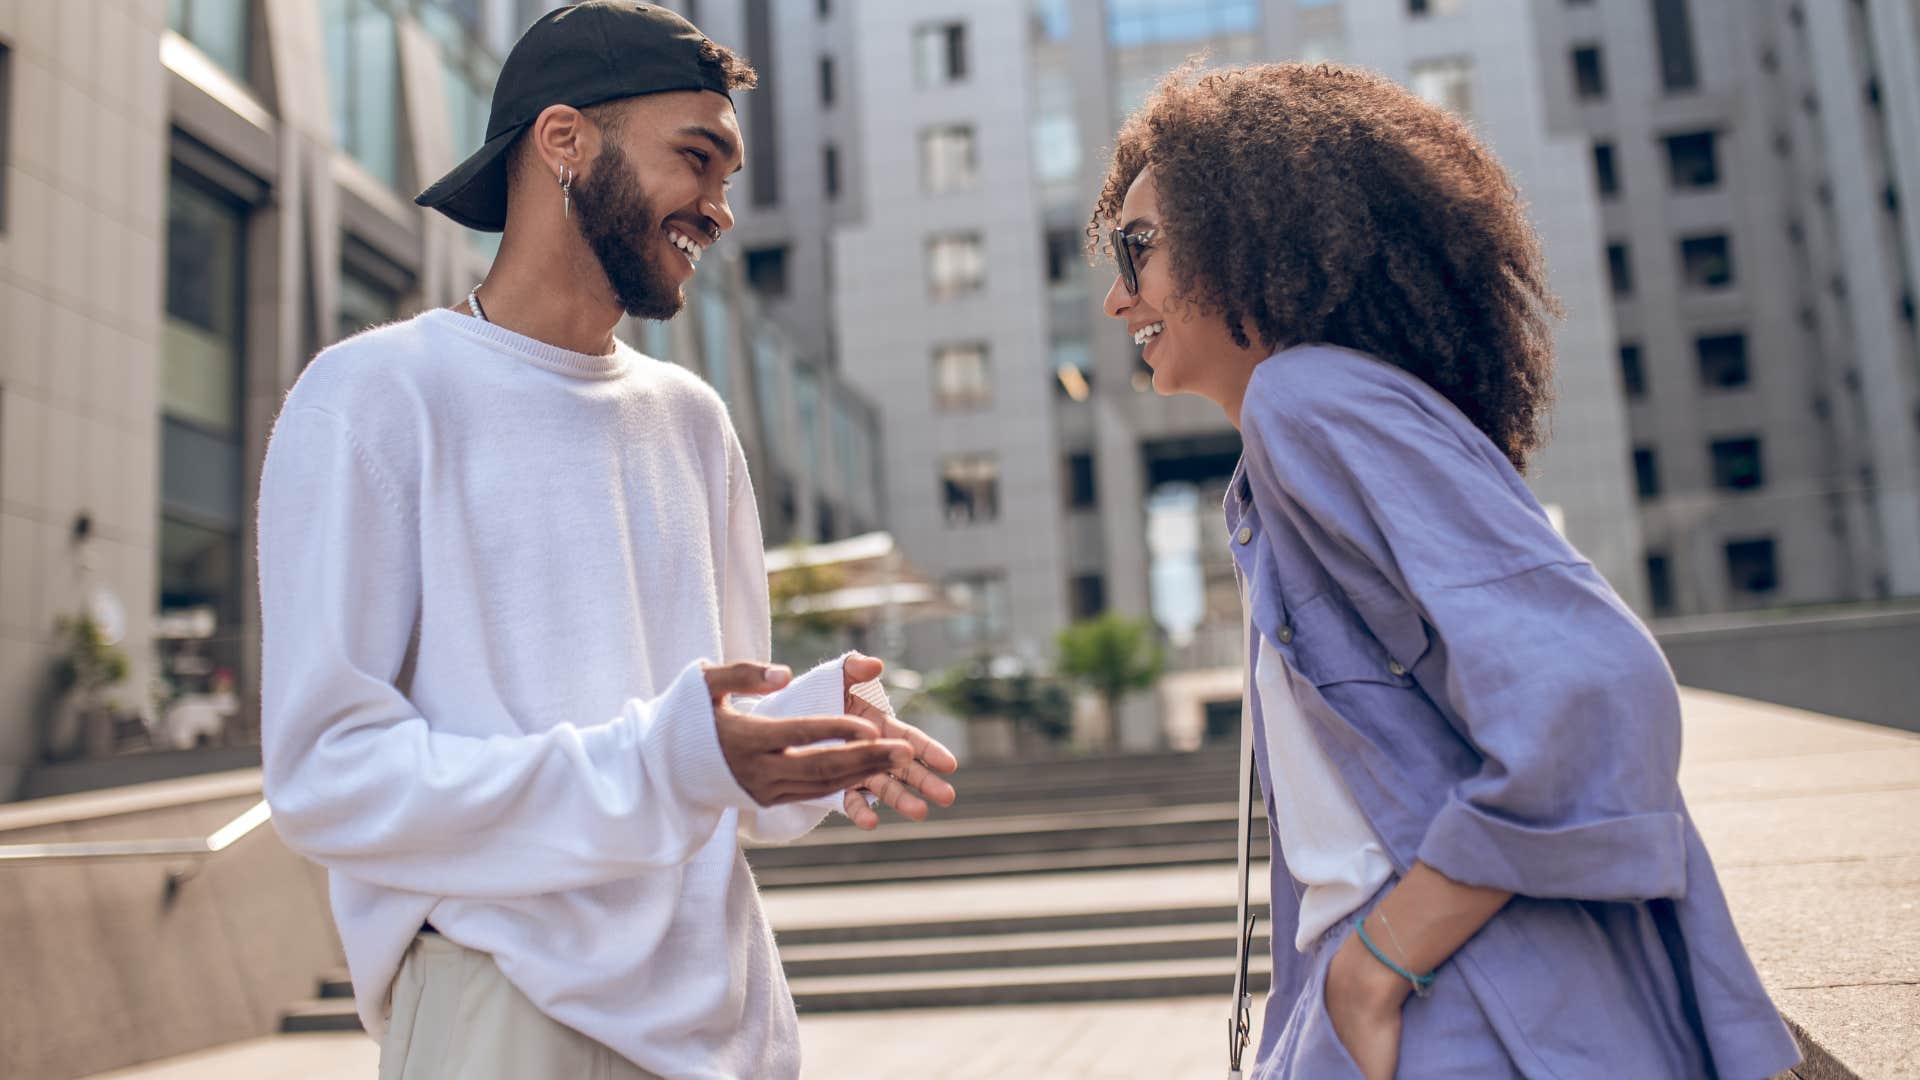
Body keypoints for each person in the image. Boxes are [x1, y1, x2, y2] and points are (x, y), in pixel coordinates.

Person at [257, 5, 957, 1078]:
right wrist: (671, 760)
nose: (719, 209)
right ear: (564, 142)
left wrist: (800, 735)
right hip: (510, 1012)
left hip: (723, 1020)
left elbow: (696, 743)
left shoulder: (693, 419)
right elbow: (327, 778)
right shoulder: (374, 396)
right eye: (698, 158)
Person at [1094, 62, 1799, 1079]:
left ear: (1253, 235)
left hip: (1464, 1012)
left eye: (1139, 248)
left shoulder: (1310, 402)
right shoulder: (1292, 448)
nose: (1120, 297)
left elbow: (1595, 687)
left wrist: (1377, 965)